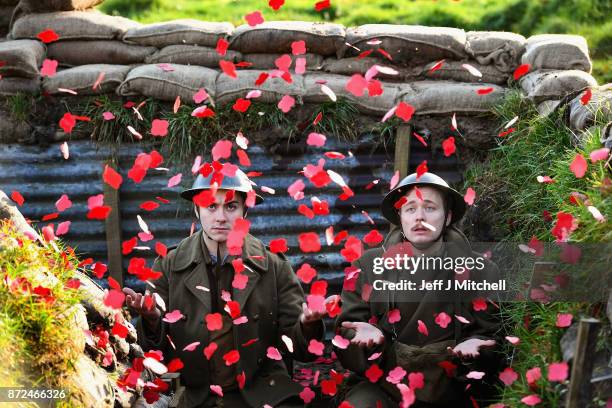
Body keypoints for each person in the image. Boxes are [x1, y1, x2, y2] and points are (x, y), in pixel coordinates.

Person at [123, 166, 326, 408]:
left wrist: (307, 324)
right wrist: (152, 320)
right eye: (211, 206)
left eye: (231, 206)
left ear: (245, 211)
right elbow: (153, 351)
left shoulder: (274, 266)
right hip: (194, 397)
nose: (220, 217)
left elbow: (303, 351)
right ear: (197, 210)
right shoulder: (168, 265)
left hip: (263, 395)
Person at [335, 172, 503, 408]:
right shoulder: (368, 267)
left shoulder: (481, 270)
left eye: (430, 208)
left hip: (453, 389)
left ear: (448, 217)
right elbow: (347, 331)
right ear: (400, 217)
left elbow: (492, 338)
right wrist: (363, 338)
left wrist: (475, 347)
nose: (420, 217)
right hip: (385, 386)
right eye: (410, 208)